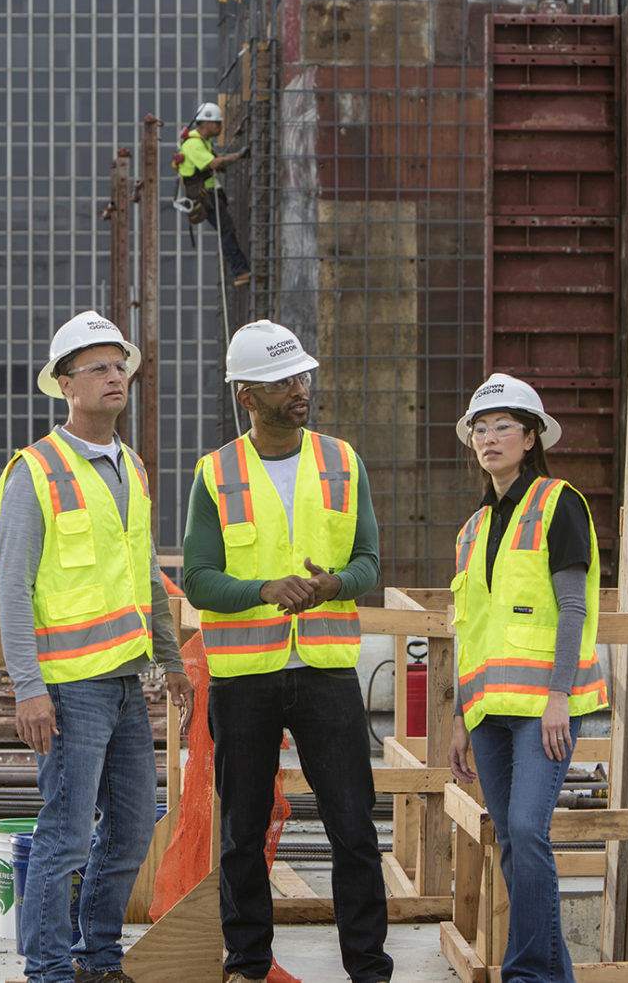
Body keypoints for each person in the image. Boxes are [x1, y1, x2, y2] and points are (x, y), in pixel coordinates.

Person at [181, 320, 392, 983]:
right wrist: (262, 588)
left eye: (301, 376)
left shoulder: (341, 459)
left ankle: (368, 969)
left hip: (325, 671)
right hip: (245, 676)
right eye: (281, 381)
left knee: (353, 828)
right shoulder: (215, 473)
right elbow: (196, 578)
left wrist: (334, 584)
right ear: (247, 394)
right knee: (242, 833)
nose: (299, 389)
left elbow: (367, 561)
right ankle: (246, 964)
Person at [0, 309, 193, 983]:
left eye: (120, 365)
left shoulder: (130, 468)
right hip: (67, 689)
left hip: (124, 682)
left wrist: (169, 660)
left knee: (134, 826)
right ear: (65, 384)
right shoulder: (35, 471)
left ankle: (97, 958)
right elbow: (13, 588)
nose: (116, 377)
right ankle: (49, 969)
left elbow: (143, 576)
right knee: (65, 834)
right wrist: (27, 687)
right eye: (98, 367)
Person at [447, 373, 606, 983]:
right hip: (489, 714)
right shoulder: (471, 530)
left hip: (546, 707)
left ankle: (526, 976)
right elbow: (472, 632)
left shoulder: (558, 502)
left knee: (524, 830)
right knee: (512, 843)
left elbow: (573, 607)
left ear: (532, 436)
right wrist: (462, 714)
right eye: (479, 430)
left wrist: (560, 696)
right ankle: (552, 975)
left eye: (502, 428)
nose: (488, 439)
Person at [175, 101, 252, 287]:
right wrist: (238, 156)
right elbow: (212, 164)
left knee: (227, 229)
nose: (220, 127)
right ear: (205, 123)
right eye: (217, 123)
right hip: (205, 196)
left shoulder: (203, 142)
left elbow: (213, 160)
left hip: (210, 193)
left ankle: (242, 271)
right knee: (226, 230)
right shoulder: (193, 144)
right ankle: (240, 272)